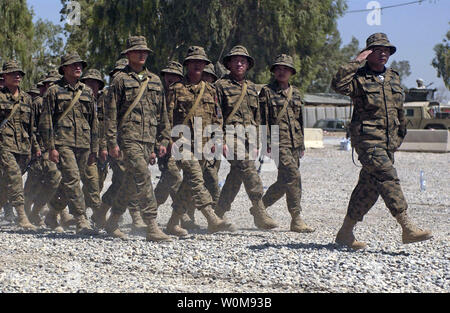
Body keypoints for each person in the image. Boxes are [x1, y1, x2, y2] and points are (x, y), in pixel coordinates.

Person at [331, 33, 432, 249]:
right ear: (368, 53)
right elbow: (337, 85)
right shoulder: (358, 77)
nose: (383, 53)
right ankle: (407, 227)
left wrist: (399, 137)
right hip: (367, 140)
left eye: (386, 50)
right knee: (388, 176)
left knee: (369, 188)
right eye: (377, 50)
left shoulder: (394, 77)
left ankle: (345, 233)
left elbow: (400, 111)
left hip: (388, 143)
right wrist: (355, 62)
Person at [105, 36, 171, 241]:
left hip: (148, 139)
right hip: (128, 139)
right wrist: (111, 142)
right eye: (137, 51)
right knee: (143, 176)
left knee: (130, 183)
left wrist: (164, 139)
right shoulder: (119, 80)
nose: (142, 54)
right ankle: (151, 224)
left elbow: (162, 113)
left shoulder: (155, 80)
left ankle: (112, 221)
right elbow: (110, 115)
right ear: (128, 54)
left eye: (145, 52)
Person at [166, 46, 234, 236]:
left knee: (189, 184)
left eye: (201, 62)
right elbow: (166, 117)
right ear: (187, 65)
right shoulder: (176, 89)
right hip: (182, 143)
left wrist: (217, 139)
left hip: (204, 145)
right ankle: (211, 217)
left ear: (205, 66)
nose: (197, 65)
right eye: (193, 62)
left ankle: (172, 223)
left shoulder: (210, 90)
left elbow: (217, 118)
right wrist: (168, 140)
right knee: (196, 177)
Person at [215, 45, 278, 230]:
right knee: (247, 167)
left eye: (243, 60)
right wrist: (220, 141)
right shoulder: (220, 86)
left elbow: (256, 117)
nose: (239, 63)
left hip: (248, 139)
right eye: (235, 60)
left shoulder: (251, 88)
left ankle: (217, 214)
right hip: (230, 136)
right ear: (229, 64)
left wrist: (257, 142)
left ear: (248, 64)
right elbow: (216, 115)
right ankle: (259, 211)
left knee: (236, 176)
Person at [39, 52, 99, 235]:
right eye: (73, 65)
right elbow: (46, 121)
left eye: (80, 64)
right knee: (72, 178)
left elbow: (94, 121)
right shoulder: (54, 91)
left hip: (83, 143)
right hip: (62, 142)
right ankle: (82, 219)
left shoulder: (87, 91)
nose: (78, 67)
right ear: (64, 68)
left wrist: (94, 148)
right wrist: (51, 147)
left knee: (71, 182)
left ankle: (53, 212)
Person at [259, 54, 315, 233]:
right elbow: (263, 119)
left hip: (295, 143)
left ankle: (259, 208)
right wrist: (266, 141)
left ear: (291, 72)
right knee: (293, 176)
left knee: (284, 181)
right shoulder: (267, 92)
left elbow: (300, 120)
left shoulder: (296, 92)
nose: (282, 71)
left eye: (286, 69)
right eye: (279, 68)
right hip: (277, 142)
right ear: (274, 72)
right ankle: (296, 219)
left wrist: (302, 144)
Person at [0, 60, 41, 231]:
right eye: (13, 73)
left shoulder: (27, 99)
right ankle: (21, 216)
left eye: (19, 74)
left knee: (5, 182)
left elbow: (31, 127)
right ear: (4, 76)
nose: (17, 76)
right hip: (4, 145)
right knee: (15, 177)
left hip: (23, 147)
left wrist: (36, 147)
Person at [23, 70, 66, 229]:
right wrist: (35, 147)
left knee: (55, 180)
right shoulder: (38, 103)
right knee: (34, 182)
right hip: (40, 149)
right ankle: (26, 211)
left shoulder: (62, 100)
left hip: (57, 148)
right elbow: (31, 128)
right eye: (50, 84)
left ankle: (39, 211)